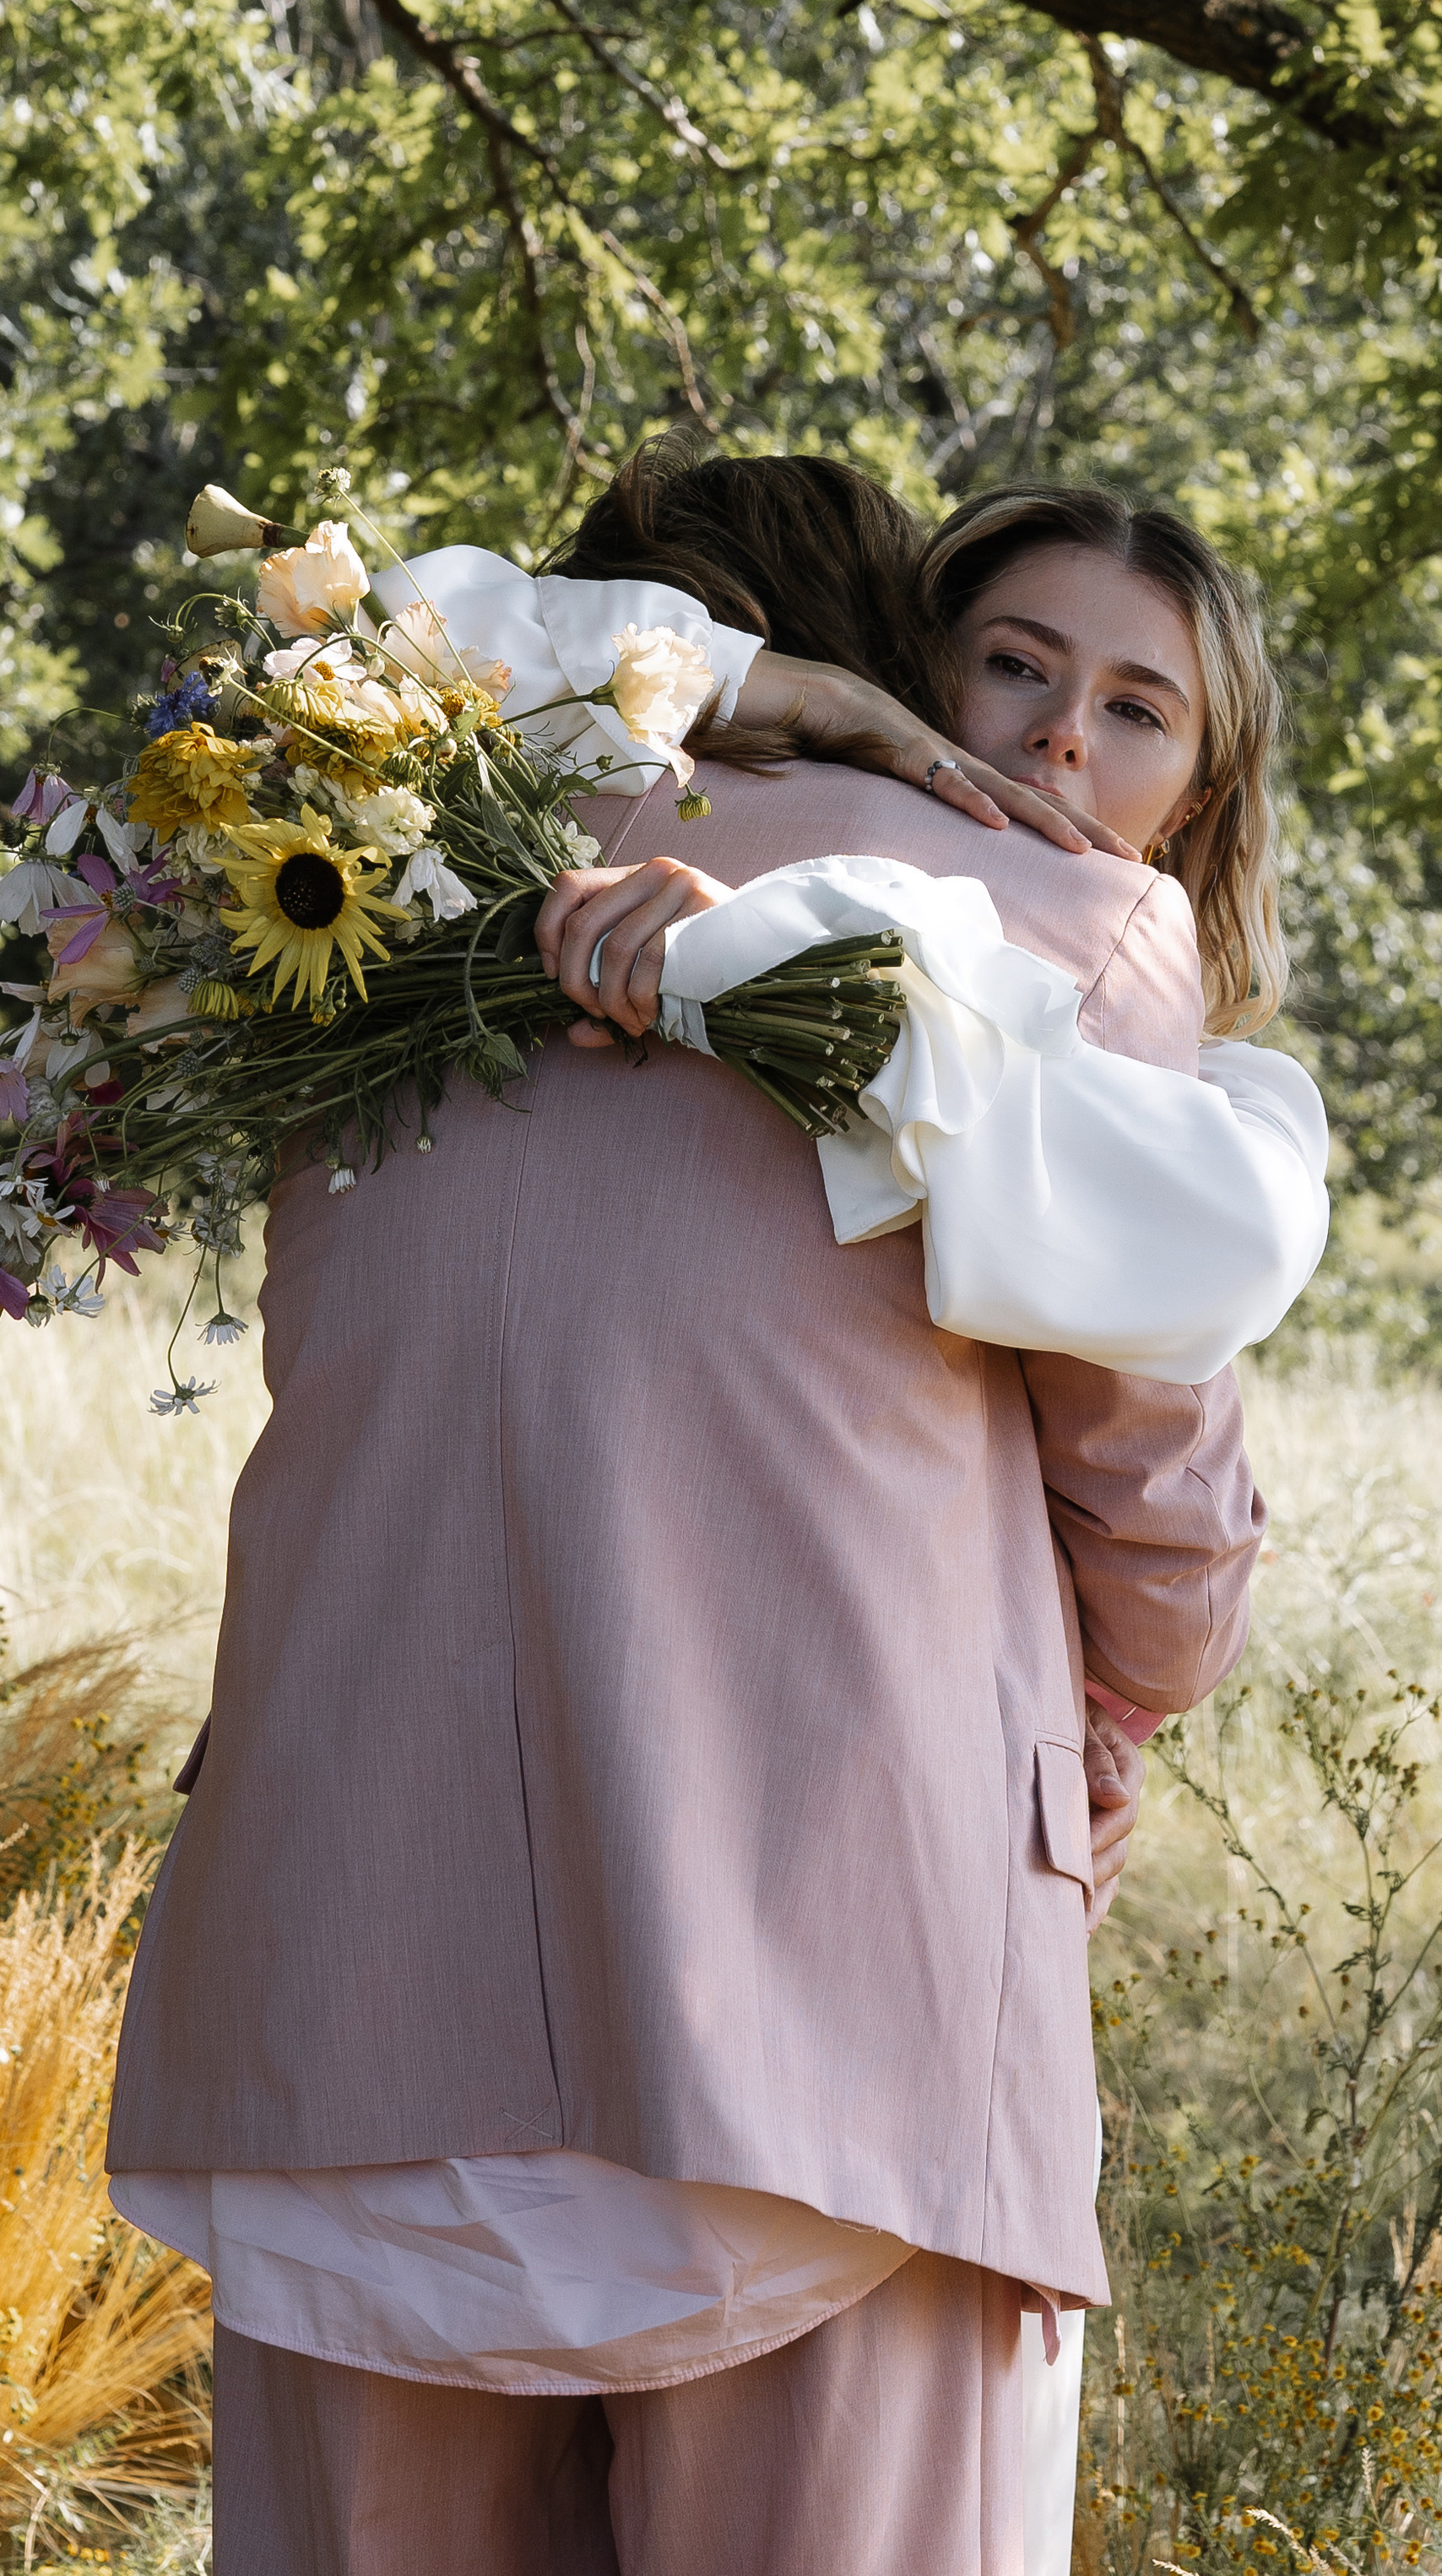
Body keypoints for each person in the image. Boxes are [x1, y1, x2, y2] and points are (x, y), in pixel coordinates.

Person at [107, 452, 1303, 2574]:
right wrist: (1089, 1731)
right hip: (823, 2015)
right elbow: (1167, 1524)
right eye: (1008, 671)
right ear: (892, 664)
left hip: (339, 2002)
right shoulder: (1040, 923)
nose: (1046, 740)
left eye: (1133, 708)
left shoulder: (347, 919)